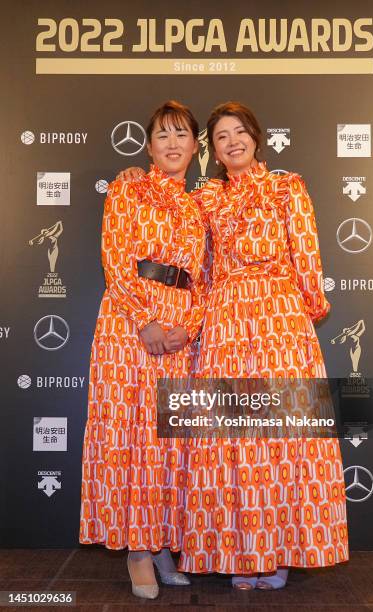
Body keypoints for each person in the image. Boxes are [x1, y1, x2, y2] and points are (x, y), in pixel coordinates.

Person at [117, 101, 349, 591]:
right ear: (214, 151)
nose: (232, 141)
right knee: (234, 441)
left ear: (257, 138)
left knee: (285, 435)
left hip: (280, 318)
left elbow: (307, 256)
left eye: (240, 132)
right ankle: (245, 555)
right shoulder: (207, 199)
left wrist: (302, 315)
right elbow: (172, 222)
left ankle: (282, 553)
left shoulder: (289, 187)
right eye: (221, 137)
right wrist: (136, 176)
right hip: (224, 324)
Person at [79, 101, 207, 600]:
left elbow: (205, 280)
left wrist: (187, 329)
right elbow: (115, 256)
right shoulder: (129, 185)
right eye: (162, 136)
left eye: (181, 135)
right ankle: (136, 551)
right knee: (130, 435)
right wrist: (146, 321)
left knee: (168, 443)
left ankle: (158, 544)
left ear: (196, 146)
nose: (172, 144)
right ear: (149, 146)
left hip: (178, 333)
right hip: (129, 325)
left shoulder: (199, 207)